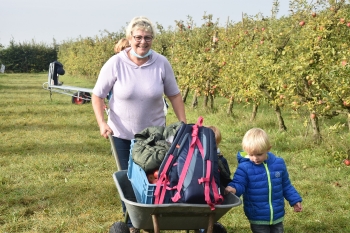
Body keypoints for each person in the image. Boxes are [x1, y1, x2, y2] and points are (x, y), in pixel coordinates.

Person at [92, 16, 187, 233]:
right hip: (122, 133)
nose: (142, 42)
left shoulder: (161, 63)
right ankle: (132, 223)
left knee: (152, 178)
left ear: (152, 39)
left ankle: (152, 219)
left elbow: (174, 94)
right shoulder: (115, 63)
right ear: (129, 38)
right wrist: (101, 123)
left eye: (147, 38)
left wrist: (183, 123)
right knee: (129, 178)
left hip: (154, 137)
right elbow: (98, 96)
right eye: (138, 37)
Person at [225, 128, 302, 233]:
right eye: (251, 155)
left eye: (259, 154)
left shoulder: (278, 164)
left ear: (268, 149)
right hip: (257, 214)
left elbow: (286, 185)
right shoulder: (245, 167)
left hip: (277, 213)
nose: (255, 158)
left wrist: (294, 200)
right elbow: (239, 183)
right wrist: (233, 189)